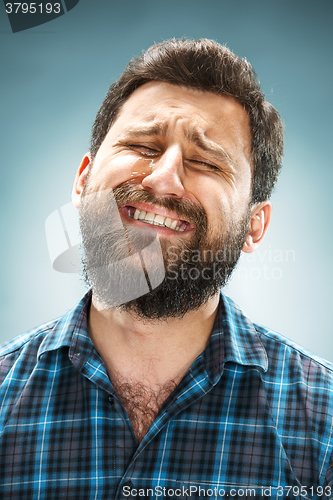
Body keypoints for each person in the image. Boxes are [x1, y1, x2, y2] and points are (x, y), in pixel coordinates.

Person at [0, 38, 332, 500]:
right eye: (140, 145)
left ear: (255, 225)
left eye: (204, 161)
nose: (162, 179)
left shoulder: (325, 425)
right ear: (82, 182)